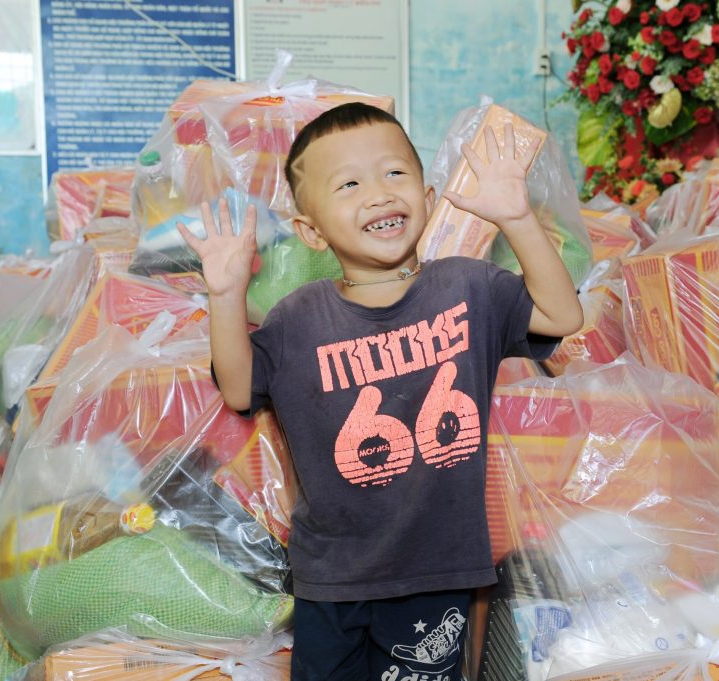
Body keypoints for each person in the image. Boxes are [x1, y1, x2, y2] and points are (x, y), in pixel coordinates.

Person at [179, 103, 583, 681]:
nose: (378, 194)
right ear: (312, 231)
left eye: (394, 173)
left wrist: (517, 218)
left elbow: (562, 315)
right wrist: (225, 294)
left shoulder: (469, 287)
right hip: (332, 576)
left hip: (436, 571)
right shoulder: (298, 317)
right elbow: (240, 389)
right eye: (349, 184)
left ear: (428, 194)